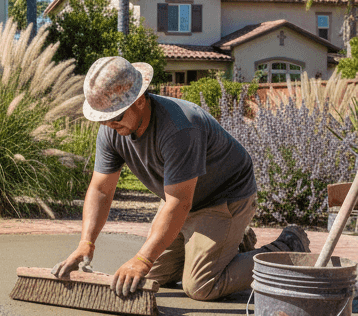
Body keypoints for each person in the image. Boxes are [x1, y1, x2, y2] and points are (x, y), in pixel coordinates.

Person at [52, 55, 309, 300]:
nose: (109, 125)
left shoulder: (180, 127)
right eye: (103, 119)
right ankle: (232, 243)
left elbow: (179, 204)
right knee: (150, 275)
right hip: (181, 195)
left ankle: (288, 248)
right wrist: (86, 243)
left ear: (139, 100)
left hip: (224, 197)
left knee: (201, 285)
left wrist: (143, 259)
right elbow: (101, 189)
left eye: (115, 117)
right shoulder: (113, 129)